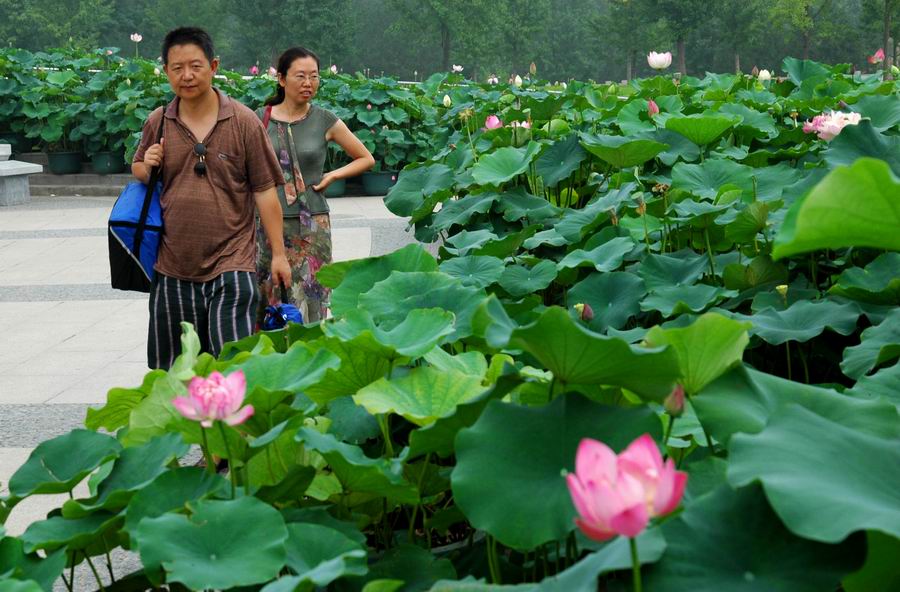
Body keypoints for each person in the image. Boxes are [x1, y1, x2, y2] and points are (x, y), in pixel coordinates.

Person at [132, 27, 291, 370]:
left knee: (232, 365)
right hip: (172, 263)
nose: (186, 76)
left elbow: (265, 191)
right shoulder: (158, 121)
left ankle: (233, 425)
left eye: (195, 66)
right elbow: (139, 170)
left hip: (232, 261)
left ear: (214, 66)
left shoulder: (244, 122)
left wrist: (279, 254)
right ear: (166, 71)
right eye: (177, 68)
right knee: (175, 372)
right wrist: (147, 165)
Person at [257, 46, 374, 323]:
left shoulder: (324, 119)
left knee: (314, 296)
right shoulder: (259, 119)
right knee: (273, 297)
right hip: (268, 224)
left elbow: (365, 158)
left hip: (313, 226)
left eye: (314, 76)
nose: (308, 83)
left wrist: (332, 176)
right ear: (282, 79)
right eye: (300, 76)